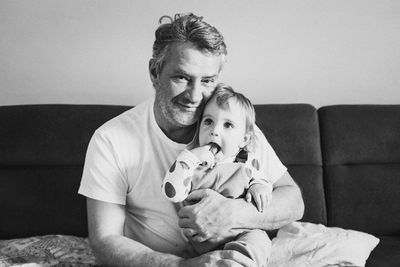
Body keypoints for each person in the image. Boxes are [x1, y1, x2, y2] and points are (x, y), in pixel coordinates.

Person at [78, 13, 304, 267]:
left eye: (207, 81)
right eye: (182, 78)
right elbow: (104, 239)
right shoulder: (110, 140)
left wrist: (234, 214)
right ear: (155, 72)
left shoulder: (231, 127)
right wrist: (182, 266)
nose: (195, 96)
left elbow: (293, 200)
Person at [162, 84, 278, 266]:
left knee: (259, 240)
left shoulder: (247, 161)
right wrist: (189, 159)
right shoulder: (192, 162)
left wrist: (259, 186)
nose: (215, 130)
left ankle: (238, 263)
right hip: (200, 238)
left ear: (244, 140)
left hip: (241, 232)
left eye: (228, 125)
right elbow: (172, 193)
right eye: (208, 122)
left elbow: (261, 178)